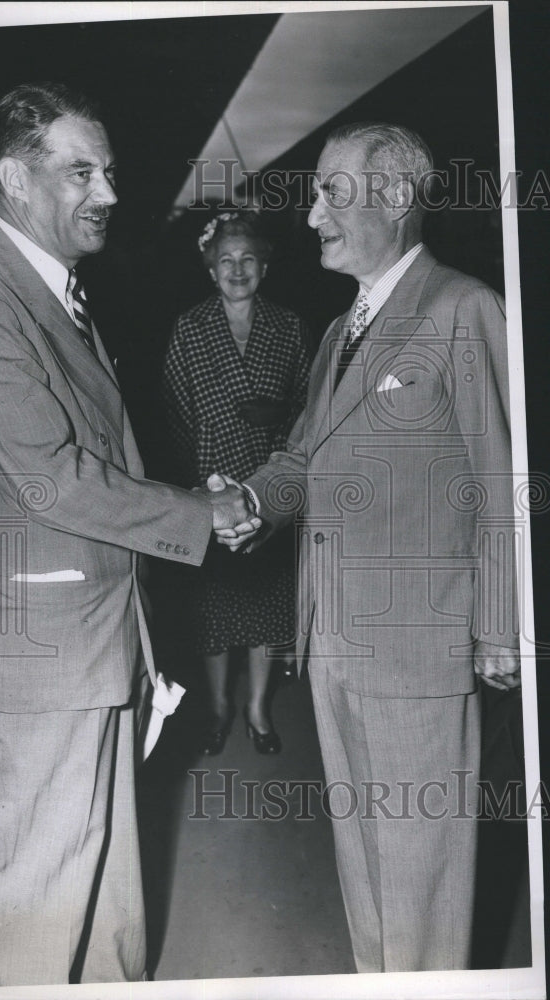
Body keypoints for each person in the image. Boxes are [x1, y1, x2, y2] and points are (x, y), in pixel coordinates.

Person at [0, 81, 256, 988]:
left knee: (104, 894)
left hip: (93, 643)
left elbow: (88, 455)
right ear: (14, 180)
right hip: (39, 660)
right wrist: (197, 514)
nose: (107, 193)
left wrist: (185, 494)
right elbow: (48, 475)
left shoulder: (52, 294)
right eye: (80, 172)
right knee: (33, 907)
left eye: (108, 172)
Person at [214, 122, 520, 972]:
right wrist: (245, 501)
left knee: (422, 881)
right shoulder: (340, 330)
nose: (311, 216)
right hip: (334, 642)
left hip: (420, 646)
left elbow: (505, 478)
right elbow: (303, 458)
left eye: (330, 193)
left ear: (393, 198)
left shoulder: (463, 308)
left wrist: (501, 627)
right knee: (365, 870)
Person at [163, 211, 311, 754]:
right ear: (210, 270)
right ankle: (221, 707)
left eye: (248, 258)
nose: (237, 269)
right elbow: (175, 414)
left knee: (269, 605)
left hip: (268, 483)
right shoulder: (190, 328)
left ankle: (256, 710)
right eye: (226, 260)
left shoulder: (290, 326)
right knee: (215, 609)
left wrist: (276, 421)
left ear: (265, 265)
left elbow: (306, 410)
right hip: (209, 484)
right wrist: (192, 493)